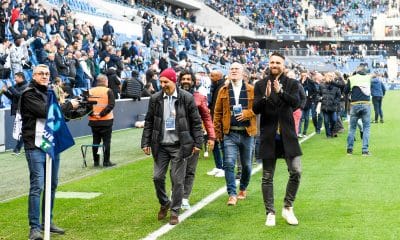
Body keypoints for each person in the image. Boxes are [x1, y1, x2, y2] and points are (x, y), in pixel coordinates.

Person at [20, 64, 79, 240]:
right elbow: (45, 112)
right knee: (37, 185)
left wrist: (79, 109)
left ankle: (47, 222)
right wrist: (69, 105)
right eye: (41, 74)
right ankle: (34, 228)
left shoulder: (51, 93)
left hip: (51, 144)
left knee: (51, 185)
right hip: (35, 145)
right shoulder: (28, 93)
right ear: (34, 75)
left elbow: (59, 117)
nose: (45, 76)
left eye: (47, 74)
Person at [141, 68, 203, 225]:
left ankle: (175, 211)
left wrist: (197, 142)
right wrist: (145, 142)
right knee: (157, 177)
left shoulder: (187, 98)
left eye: (165, 82)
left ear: (174, 81)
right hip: (160, 146)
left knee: (178, 180)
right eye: (160, 82)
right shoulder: (155, 99)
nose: (162, 85)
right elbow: (149, 121)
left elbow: (196, 122)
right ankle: (164, 203)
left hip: (179, 146)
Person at [253, 52, 302, 227]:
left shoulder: (292, 83)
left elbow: (296, 103)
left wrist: (280, 92)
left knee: (296, 171)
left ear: (284, 65)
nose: (274, 65)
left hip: (288, 135)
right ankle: (270, 212)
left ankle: (288, 207)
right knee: (267, 176)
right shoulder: (259, 84)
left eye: (278, 62)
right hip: (269, 135)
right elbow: (255, 109)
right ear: (268, 64)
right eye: (272, 62)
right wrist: (265, 97)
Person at [213, 62, 257, 206]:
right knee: (229, 163)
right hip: (229, 133)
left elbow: (258, 108)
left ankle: (243, 188)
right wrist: (217, 132)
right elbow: (217, 112)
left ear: (243, 73)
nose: (233, 71)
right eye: (231, 69)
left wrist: (247, 113)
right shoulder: (223, 90)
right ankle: (232, 193)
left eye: (236, 69)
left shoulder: (251, 90)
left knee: (246, 165)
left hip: (247, 133)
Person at [178, 69, 215, 210]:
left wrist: (211, 136)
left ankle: (185, 197)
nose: (186, 81)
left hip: (194, 138)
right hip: (176, 138)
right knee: (176, 169)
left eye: (189, 79)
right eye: (184, 79)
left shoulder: (200, 97)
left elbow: (206, 117)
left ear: (193, 82)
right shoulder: (173, 96)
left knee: (190, 170)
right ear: (180, 80)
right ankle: (176, 193)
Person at [88, 74, 116, 167]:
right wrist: (101, 114)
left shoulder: (90, 91)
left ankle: (96, 162)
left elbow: (86, 106)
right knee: (106, 142)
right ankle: (106, 162)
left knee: (95, 141)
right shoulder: (108, 91)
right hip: (106, 121)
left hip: (93, 121)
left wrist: (93, 114)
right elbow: (111, 105)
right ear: (105, 82)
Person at [344, 65, 372, 156]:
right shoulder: (368, 78)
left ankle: (349, 149)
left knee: (352, 128)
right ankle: (365, 150)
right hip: (366, 104)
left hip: (354, 105)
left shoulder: (351, 78)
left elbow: (345, 91)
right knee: (366, 128)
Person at [1, 72, 28, 155]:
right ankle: (23, 148)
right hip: (18, 111)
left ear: (21, 77)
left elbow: (20, 95)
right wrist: (5, 92)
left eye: (15, 77)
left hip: (25, 111)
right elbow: (13, 97)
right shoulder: (16, 86)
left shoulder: (27, 86)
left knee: (23, 130)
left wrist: (10, 88)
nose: (14, 79)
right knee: (22, 130)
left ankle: (17, 149)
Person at [207, 69, 225, 177]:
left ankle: (224, 168)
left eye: (213, 76)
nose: (210, 77)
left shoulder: (222, 87)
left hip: (220, 120)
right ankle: (218, 166)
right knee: (214, 143)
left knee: (222, 144)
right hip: (213, 118)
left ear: (219, 77)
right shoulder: (214, 86)